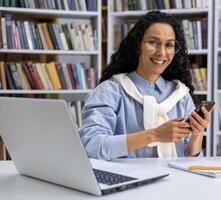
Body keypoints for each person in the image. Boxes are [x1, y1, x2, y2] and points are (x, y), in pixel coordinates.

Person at [79, 10, 210, 161]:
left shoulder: (180, 94)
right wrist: (154, 135)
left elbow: (189, 157)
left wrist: (198, 134)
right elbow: (92, 146)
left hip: (175, 181)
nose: (161, 52)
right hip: (126, 181)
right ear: (138, 45)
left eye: (169, 45)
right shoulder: (110, 91)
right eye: (153, 42)